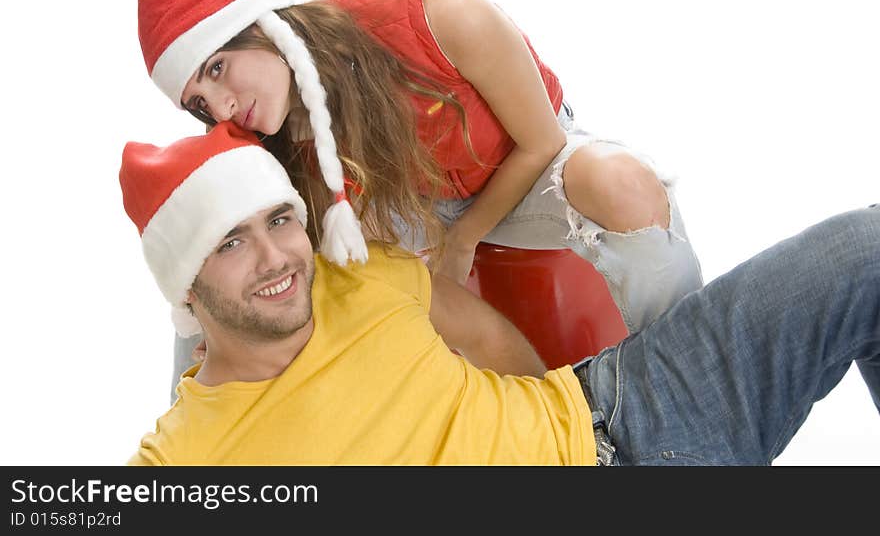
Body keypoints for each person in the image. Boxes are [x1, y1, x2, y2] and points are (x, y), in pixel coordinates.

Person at [121, 122, 879, 465]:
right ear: (185, 284)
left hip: (627, 413)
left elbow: (488, 342)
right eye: (229, 242)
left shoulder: (363, 271)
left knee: (868, 250)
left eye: (280, 219)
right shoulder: (181, 459)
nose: (276, 256)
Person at [136, 0, 704, 391]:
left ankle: (690, 371)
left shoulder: (435, 12)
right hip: (412, 212)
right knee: (209, 255)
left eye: (217, 68)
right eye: (199, 104)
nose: (223, 107)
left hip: (528, 171)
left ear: (263, 24)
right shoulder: (266, 133)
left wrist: (462, 243)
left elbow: (540, 142)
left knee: (620, 183)